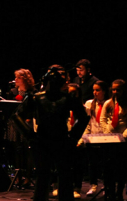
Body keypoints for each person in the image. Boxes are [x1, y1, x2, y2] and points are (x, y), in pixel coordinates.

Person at [16, 66, 89, 201]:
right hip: (45, 140)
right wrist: (30, 136)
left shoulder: (66, 98)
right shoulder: (37, 98)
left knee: (62, 175)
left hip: (59, 139)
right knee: (44, 176)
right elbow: (17, 116)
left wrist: (73, 137)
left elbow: (83, 117)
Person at [79, 80, 108, 196]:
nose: (95, 92)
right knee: (92, 163)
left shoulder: (108, 103)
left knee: (105, 163)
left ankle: (106, 186)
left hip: (105, 137)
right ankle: (93, 185)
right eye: (94, 90)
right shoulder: (89, 103)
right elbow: (87, 121)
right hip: (92, 136)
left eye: (98, 90)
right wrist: (85, 136)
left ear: (104, 91)